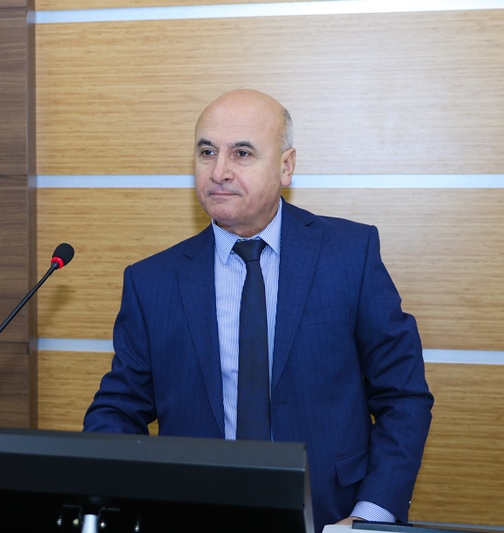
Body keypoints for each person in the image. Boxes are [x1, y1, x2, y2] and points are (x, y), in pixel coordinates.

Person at [83, 89, 433, 532]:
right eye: (207, 152)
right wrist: (132, 500)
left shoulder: (350, 255)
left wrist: (369, 518)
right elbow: (117, 411)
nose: (219, 172)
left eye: (242, 153)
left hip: (331, 516)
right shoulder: (152, 281)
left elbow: (403, 396)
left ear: (286, 166)